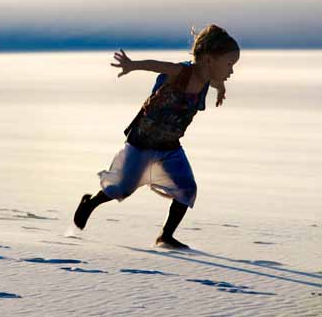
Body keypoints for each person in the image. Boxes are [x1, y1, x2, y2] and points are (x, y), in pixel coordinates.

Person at [73, 24, 240, 249]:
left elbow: (217, 82)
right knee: (122, 188)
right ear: (209, 59)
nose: (231, 71)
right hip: (142, 142)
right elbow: (156, 66)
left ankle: (165, 236)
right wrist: (132, 65)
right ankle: (89, 204)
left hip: (170, 146)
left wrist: (221, 90)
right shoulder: (182, 73)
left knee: (187, 188)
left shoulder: (208, 80)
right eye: (229, 64)